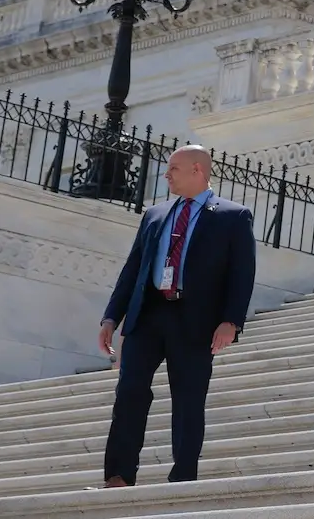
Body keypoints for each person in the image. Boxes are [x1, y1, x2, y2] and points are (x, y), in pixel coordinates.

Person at [99, 145, 256, 487]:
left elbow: (242, 273)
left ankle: (183, 476)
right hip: (148, 315)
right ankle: (118, 475)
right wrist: (112, 317)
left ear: (198, 170)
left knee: (188, 397)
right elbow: (133, 269)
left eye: (173, 168)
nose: (166, 174)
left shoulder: (233, 216)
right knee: (130, 391)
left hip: (195, 319)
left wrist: (232, 321)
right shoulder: (155, 214)